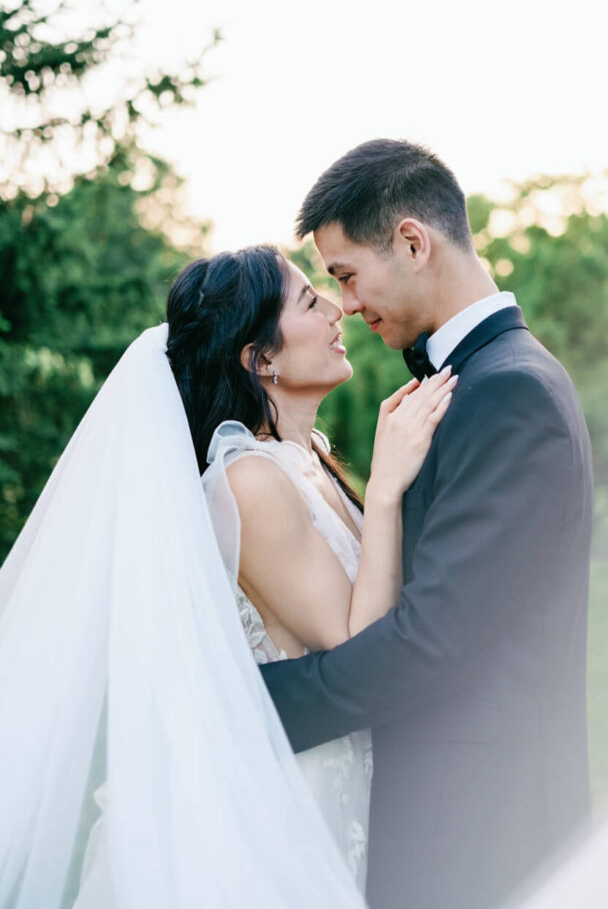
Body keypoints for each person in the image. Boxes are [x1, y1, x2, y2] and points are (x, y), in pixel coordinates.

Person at [0, 242, 452, 909]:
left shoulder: (304, 464)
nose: (336, 309)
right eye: (307, 300)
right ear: (259, 357)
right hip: (283, 811)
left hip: (337, 785)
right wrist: (386, 489)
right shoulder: (250, 480)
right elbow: (356, 644)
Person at [259, 139, 594, 909]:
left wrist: (248, 704)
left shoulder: (508, 395)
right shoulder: (487, 380)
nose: (343, 303)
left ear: (412, 242)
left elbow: (431, 642)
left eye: (345, 274)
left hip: (479, 840)